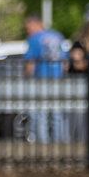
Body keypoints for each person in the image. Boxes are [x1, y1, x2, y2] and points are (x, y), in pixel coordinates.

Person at [23, 12, 67, 143]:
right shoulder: (57, 35)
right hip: (57, 77)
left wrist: (27, 78)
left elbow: (30, 62)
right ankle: (59, 141)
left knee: (41, 112)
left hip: (41, 78)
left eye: (28, 25)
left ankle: (43, 143)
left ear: (36, 23)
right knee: (57, 112)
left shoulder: (33, 38)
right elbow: (65, 61)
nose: (27, 29)